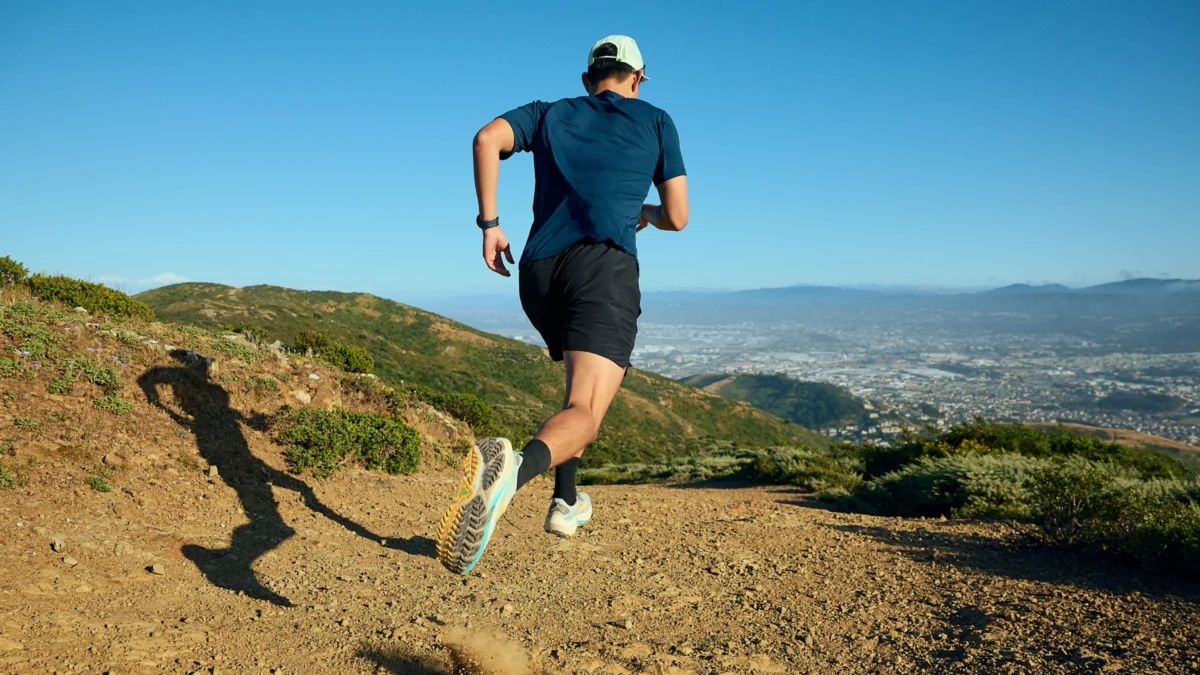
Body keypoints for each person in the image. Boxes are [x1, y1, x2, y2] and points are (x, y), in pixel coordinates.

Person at [436, 35, 689, 574]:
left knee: (575, 394)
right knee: (586, 413)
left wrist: (490, 225)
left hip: (539, 272)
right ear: (638, 79)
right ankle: (514, 475)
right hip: (604, 268)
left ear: (586, 79)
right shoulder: (656, 120)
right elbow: (679, 215)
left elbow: (485, 139)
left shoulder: (548, 113)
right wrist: (643, 212)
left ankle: (566, 501)